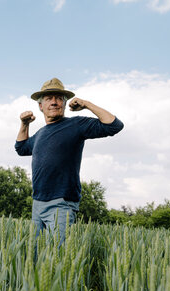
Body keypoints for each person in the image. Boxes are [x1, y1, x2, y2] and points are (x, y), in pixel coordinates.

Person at [15, 78, 124, 244]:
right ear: (40, 106)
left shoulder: (76, 125)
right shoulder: (41, 134)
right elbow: (21, 148)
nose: (54, 102)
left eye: (59, 98)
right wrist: (24, 124)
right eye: (48, 98)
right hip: (37, 203)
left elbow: (114, 125)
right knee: (36, 257)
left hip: (61, 203)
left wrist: (86, 104)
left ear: (64, 104)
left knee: (59, 256)